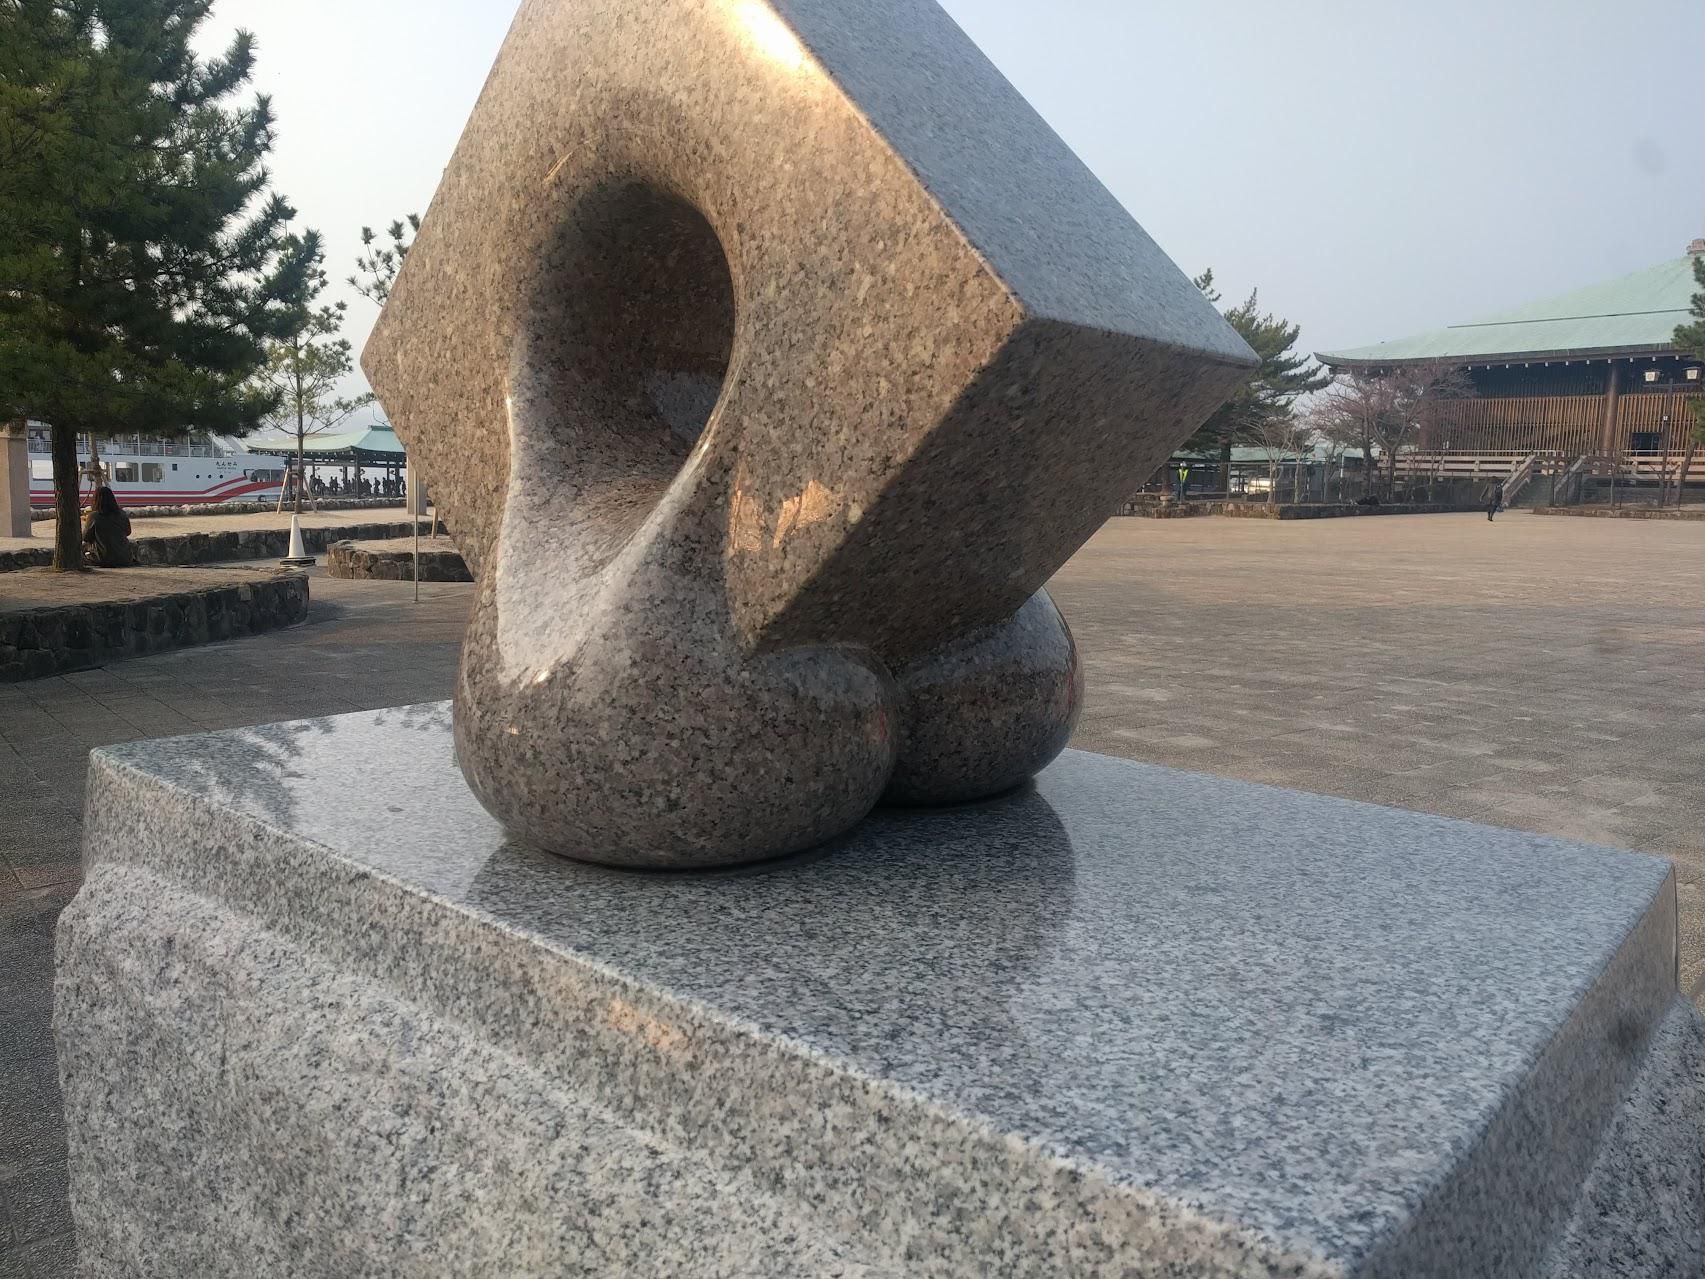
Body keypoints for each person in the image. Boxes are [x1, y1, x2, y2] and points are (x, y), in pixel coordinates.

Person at [82, 486, 133, 567]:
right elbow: (128, 532)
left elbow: (85, 537)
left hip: (103, 559)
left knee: (82, 547)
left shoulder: (94, 516)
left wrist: (87, 523)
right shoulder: (122, 514)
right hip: (125, 558)